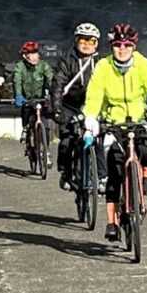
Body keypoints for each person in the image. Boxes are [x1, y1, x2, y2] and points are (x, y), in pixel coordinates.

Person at [83, 22, 147, 242]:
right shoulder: (103, 67)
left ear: (133, 47)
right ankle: (112, 222)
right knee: (113, 174)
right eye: (117, 45)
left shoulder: (143, 64)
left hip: (138, 121)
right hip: (114, 123)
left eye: (127, 45)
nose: (122, 49)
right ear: (112, 46)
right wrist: (91, 117)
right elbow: (94, 95)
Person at [51, 22, 106, 191]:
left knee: (99, 139)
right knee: (67, 140)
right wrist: (57, 109)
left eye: (91, 41)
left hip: (93, 105)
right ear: (76, 41)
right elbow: (58, 86)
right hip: (70, 106)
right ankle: (65, 173)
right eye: (83, 40)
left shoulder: (101, 62)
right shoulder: (66, 61)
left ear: (97, 43)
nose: (87, 44)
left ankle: (102, 177)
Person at [13, 40, 54, 151]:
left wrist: (53, 92)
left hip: (41, 99)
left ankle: (46, 150)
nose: (35, 56)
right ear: (25, 56)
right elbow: (17, 81)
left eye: (36, 53)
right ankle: (26, 130)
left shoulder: (44, 65)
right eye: (31, 54)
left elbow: (51, 78)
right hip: (26, 99)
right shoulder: (19, 66)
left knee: (45, 126)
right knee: (26, 114)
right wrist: (18, 95)